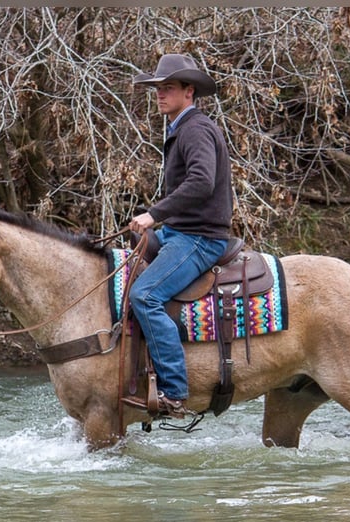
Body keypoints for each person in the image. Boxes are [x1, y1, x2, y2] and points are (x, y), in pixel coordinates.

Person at [128, 54, 233, 418]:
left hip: (200, 239)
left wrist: (154, 214)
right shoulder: (180, 128)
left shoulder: (195, 129)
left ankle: (174, 391)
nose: (160, 95)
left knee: (144, 295)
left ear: (189, 92)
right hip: (180, 231)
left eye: (167, 88)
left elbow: (202, 182)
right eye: (157, 89)